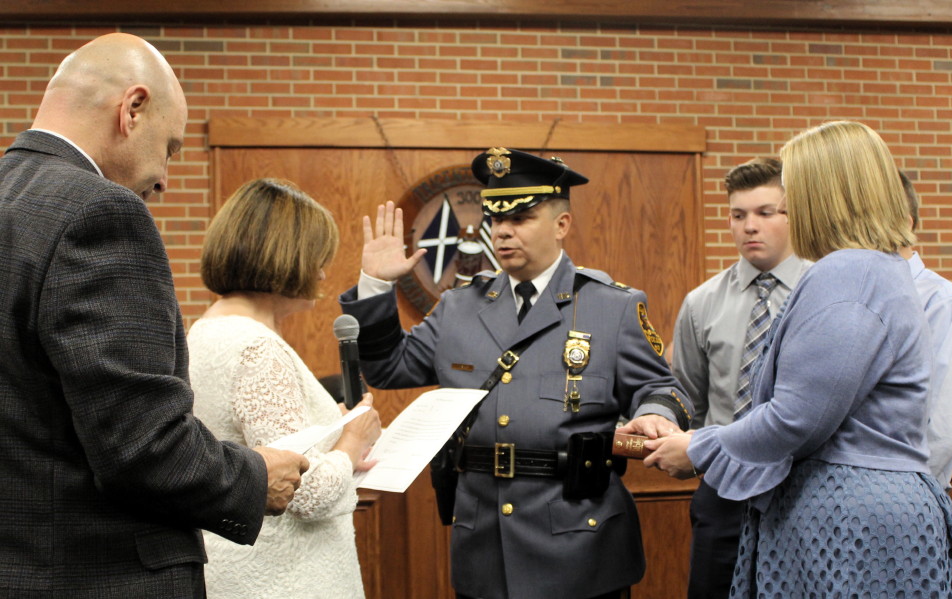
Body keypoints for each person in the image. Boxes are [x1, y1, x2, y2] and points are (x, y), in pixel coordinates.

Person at [0, 33, 309, 596]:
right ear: (132, 109)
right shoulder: (99, 211)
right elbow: (142, 448)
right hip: (95, 572)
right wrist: (256, 476)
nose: (166, 178)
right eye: (170, 147)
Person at [623, 121, 952, 597]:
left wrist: (699, 448)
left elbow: (797, 417)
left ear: (820, 194)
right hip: (857, 508)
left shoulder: (848, 272)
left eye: (788, 197)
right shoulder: (877, 266)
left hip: (848, 517)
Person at [340, 148, 693, 599]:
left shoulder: (612, 306)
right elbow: (388, 368)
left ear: (561, 225)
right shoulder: (459, 307)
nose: (503, 231)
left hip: (580, 545)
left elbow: (661, 386)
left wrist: (656, 412)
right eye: (495, 219)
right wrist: (375, 285)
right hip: (484, 546)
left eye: (521, 218)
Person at [188, 178, 382, 599]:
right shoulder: (257, 348)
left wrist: (339, 451)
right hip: (283, 580)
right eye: (316, 257)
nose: (323, 273)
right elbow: (304, 493)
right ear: (284, 257)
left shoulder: (205, 331)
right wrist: (352, 441)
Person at [669, 157, 812, 599]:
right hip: (724, 491)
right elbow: (685, 397)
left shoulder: (823, 289)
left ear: (796, 215)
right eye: (738, 215)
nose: (750, 226)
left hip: (805, 489)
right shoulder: (701, 303)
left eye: (766, 213)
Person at [898, 171, 952, 489]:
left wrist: (896, 490)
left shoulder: (942, 302)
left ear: (905, 223)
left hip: (908, 495)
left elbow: (944, 427)